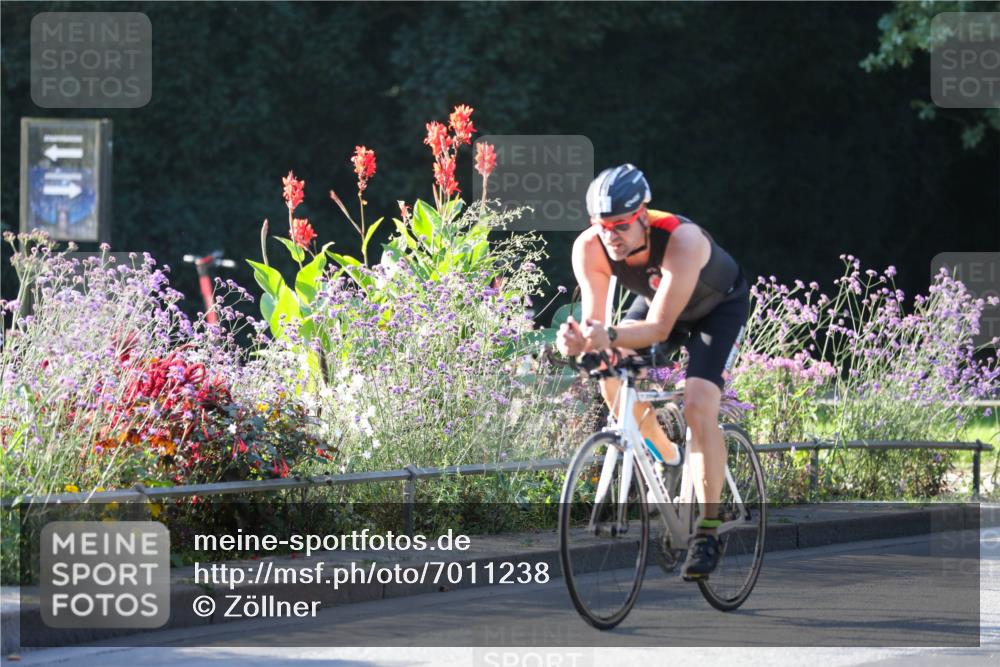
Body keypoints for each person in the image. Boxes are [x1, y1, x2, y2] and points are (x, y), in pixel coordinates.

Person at [555, 164, 750, 580]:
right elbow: (595, 327)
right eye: (602, 226)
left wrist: (602, 335)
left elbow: (660, 329)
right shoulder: (590, 248)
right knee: (607, 369)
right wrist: (573, 340)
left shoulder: (683, 240)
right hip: (661, 304)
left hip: (715, 311)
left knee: (698, 404)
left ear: (644, 215)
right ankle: (668, 455)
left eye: (621, 226)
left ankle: (708, 530)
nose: (612, 236)